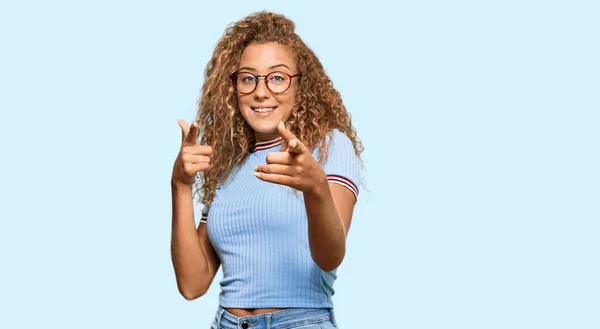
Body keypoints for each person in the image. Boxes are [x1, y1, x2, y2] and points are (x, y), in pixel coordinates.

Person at [170, 11, 364, 329]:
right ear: (232, 88)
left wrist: (315, 187)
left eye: (277, 77)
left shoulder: (327, 145)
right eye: (248, 78)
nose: (261, 92)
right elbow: (192, 285)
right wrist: (180, 185)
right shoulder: (228, 163)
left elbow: (331, 257)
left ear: (302, 85)